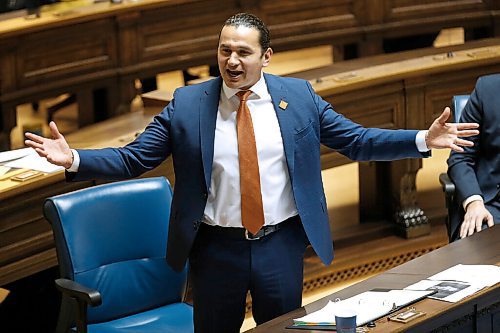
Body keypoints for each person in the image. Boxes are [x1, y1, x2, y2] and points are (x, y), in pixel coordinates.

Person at [25, 13, 479, 333]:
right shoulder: (187, 104)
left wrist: (422, 138)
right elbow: (133, 158)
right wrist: (76, 159)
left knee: (284, 330)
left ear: (267, 56)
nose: (232, 61)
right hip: (214, 249)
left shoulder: (299, 97)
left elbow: (356, 140)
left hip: (279, 245)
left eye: (243, 51)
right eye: (225, 51)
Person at [447, 74, 500, 240]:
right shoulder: (487, 90)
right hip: (490, 204)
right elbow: (460, 157)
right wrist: (474, 202)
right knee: (479, 245)